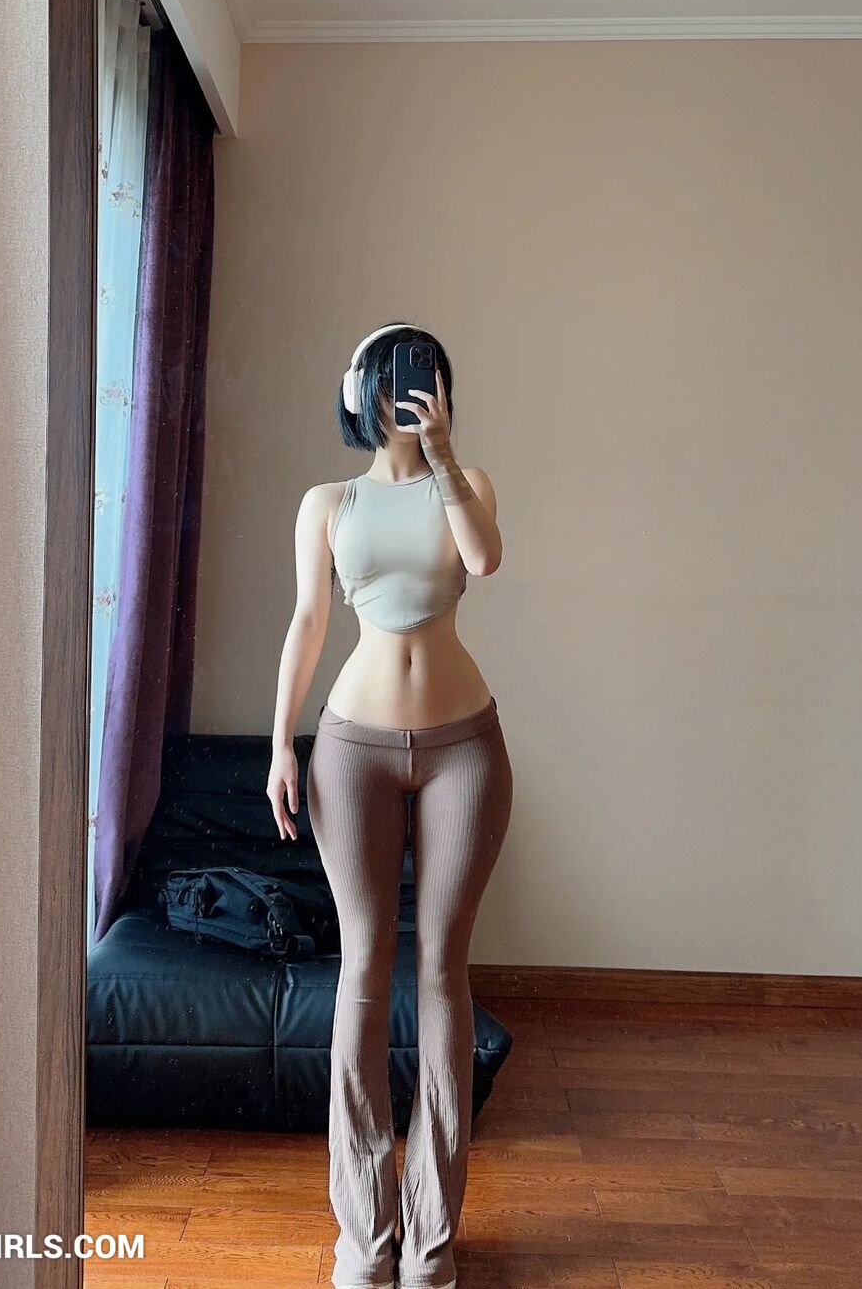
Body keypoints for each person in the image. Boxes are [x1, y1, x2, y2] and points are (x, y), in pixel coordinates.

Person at [267, 324, 513, 1289]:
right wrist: (281, 744)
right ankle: (365, 1238)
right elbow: (307, 622)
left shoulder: (470, 482)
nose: (410, 388)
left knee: (444, 972)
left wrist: (443, 457)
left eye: (427, 372)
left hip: (464, 749)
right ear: (359, 391)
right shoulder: (327, 503)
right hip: (353, 750)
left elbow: (484, 562)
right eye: (392, 372)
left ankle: (431, 1243)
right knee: (364, 967)